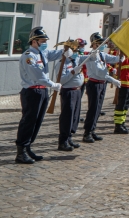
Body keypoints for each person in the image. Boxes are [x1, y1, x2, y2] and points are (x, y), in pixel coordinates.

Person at [15, 27, 67, 163]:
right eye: (42, 40)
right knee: (28, 121)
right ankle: (21, 151)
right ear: (34, 41)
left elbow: (54, 54)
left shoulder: (42, 53)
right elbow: (38, 75)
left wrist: (66, 50)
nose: (44, 43)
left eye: (45, 40)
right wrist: (53, 84)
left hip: (42, 91)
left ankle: (28, 147)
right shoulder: (29, 56)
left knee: (37, 121)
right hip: (32, 91)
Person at [57, 38, 87, 151]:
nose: (76, 52)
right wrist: (72, 72)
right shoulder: (62, 64)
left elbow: (88, 59)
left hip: (77, 90)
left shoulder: (76, 60)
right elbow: (61, 80)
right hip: (68, 91)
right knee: (67, 116)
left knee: (75, 116)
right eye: (74, 50)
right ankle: (63, 141)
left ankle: (69, 137)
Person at [113, 45, 129, 134]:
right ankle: (118, 125)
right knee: (121, 105)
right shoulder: (122, 54)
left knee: (126, 105)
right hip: (124, 83)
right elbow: (117, 65)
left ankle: (122, 123)